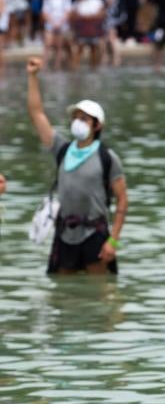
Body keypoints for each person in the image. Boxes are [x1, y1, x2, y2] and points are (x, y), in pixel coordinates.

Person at [26, 56, 128, 274]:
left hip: (96, 235)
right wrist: (33, 77)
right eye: (76, 117)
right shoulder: (62, 149)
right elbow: (37, 114)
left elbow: (122, 200)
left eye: (84, 118)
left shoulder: (107, 158)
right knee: (63, 296)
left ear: (97, 125)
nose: (78, 122)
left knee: (102, 295)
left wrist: (114, 242)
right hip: (64, 233)